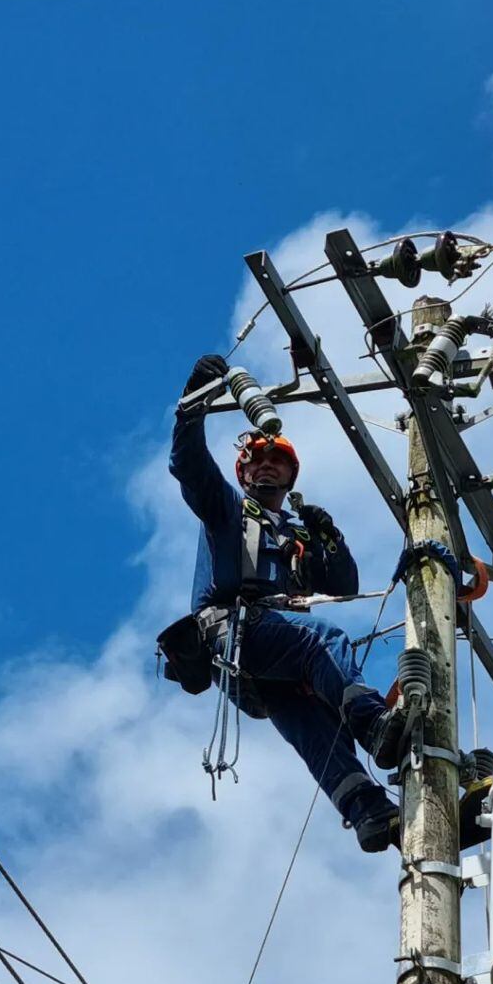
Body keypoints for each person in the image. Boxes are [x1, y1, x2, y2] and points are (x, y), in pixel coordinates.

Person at [168, 354, 403, 851]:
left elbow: (341, 585)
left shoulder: (295, 538)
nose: (269, 466)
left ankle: (371, 813)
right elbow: (188, 466)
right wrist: (192, 407)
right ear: (244, 471)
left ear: (291, 477)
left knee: (316, 731)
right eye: (260, 460)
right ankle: (373, 724)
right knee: (324, 641)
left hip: (268, 663)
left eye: (279, 462)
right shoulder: (226, 509)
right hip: (235, 635)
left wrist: (329, 539)